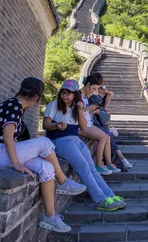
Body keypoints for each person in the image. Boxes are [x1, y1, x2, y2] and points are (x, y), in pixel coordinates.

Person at [0, 77, 86, 232]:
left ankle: (50, 216)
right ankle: (62, 181)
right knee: (44, 142)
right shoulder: (14, 105)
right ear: (35, 98)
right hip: (2, 151)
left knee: (47, 167)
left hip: (5, 152)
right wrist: (17, 164)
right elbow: (7, 137)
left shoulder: (15, 106)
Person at [43, 79, 125, 211]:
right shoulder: (54, 105)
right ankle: (100, 199)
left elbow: (83, 126)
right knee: (83, 167)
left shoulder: (76, 108)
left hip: (75, 139)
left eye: (68, 93)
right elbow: (45, 125)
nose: (65, 95)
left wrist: (80, 110)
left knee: (92, 168)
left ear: (75, 94)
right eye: (62, 92)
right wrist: (56, 125)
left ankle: (110, 195)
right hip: (59, 140)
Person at [79, 75, 121, 175]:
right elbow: (77, 113)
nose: (93, 92)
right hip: (81, 125)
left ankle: (109, 164)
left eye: (96, 89)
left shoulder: (85, 96)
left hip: (88, 122)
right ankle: (98, 165)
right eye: (93, 89)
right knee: (102, 137)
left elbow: (85, 112)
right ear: (87, 84)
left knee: (107, 137)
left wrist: (92, 110)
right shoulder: (78, 96)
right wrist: (89, 108)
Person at [91, 79, 132, 170]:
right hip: (96, 121)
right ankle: (121, 160)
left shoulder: (98, 91)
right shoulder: (90, 94)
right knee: (108, 138)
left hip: (101, 118)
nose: (97, 88)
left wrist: (106, 91)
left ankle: (120, 160)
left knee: (109, 138)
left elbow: (110, 93)